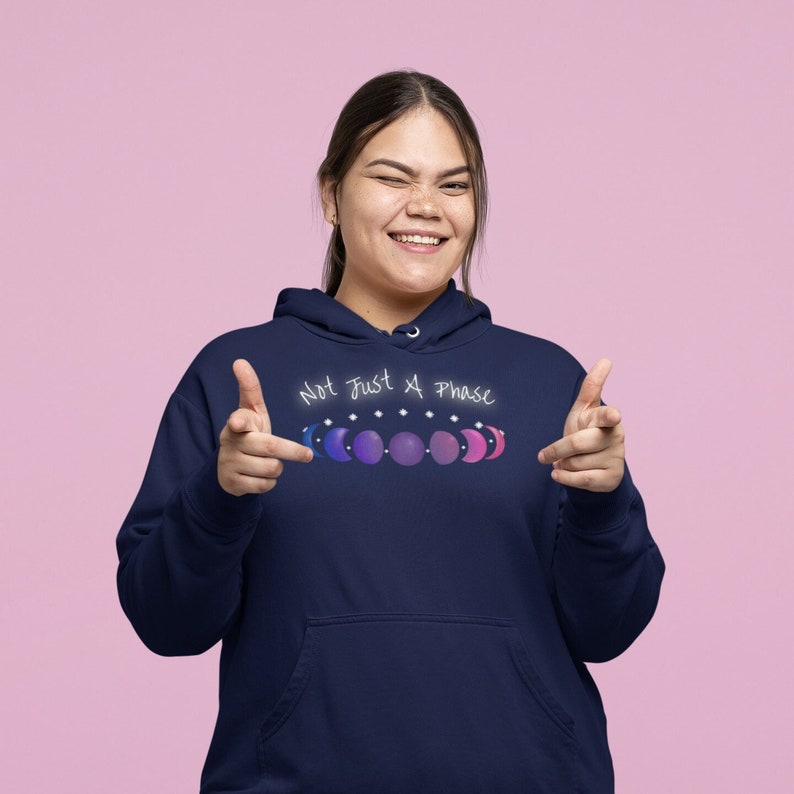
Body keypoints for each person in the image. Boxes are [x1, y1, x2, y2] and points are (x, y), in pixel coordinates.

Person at [117, 70, 664, 793]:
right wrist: (218, 499)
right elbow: (167, 623)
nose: (425, 208)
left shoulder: (547, 381)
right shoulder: (238, 374)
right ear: (330, 194)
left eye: (455, 185)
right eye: (392, 177)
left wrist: (602, 503)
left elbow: (608, 629)